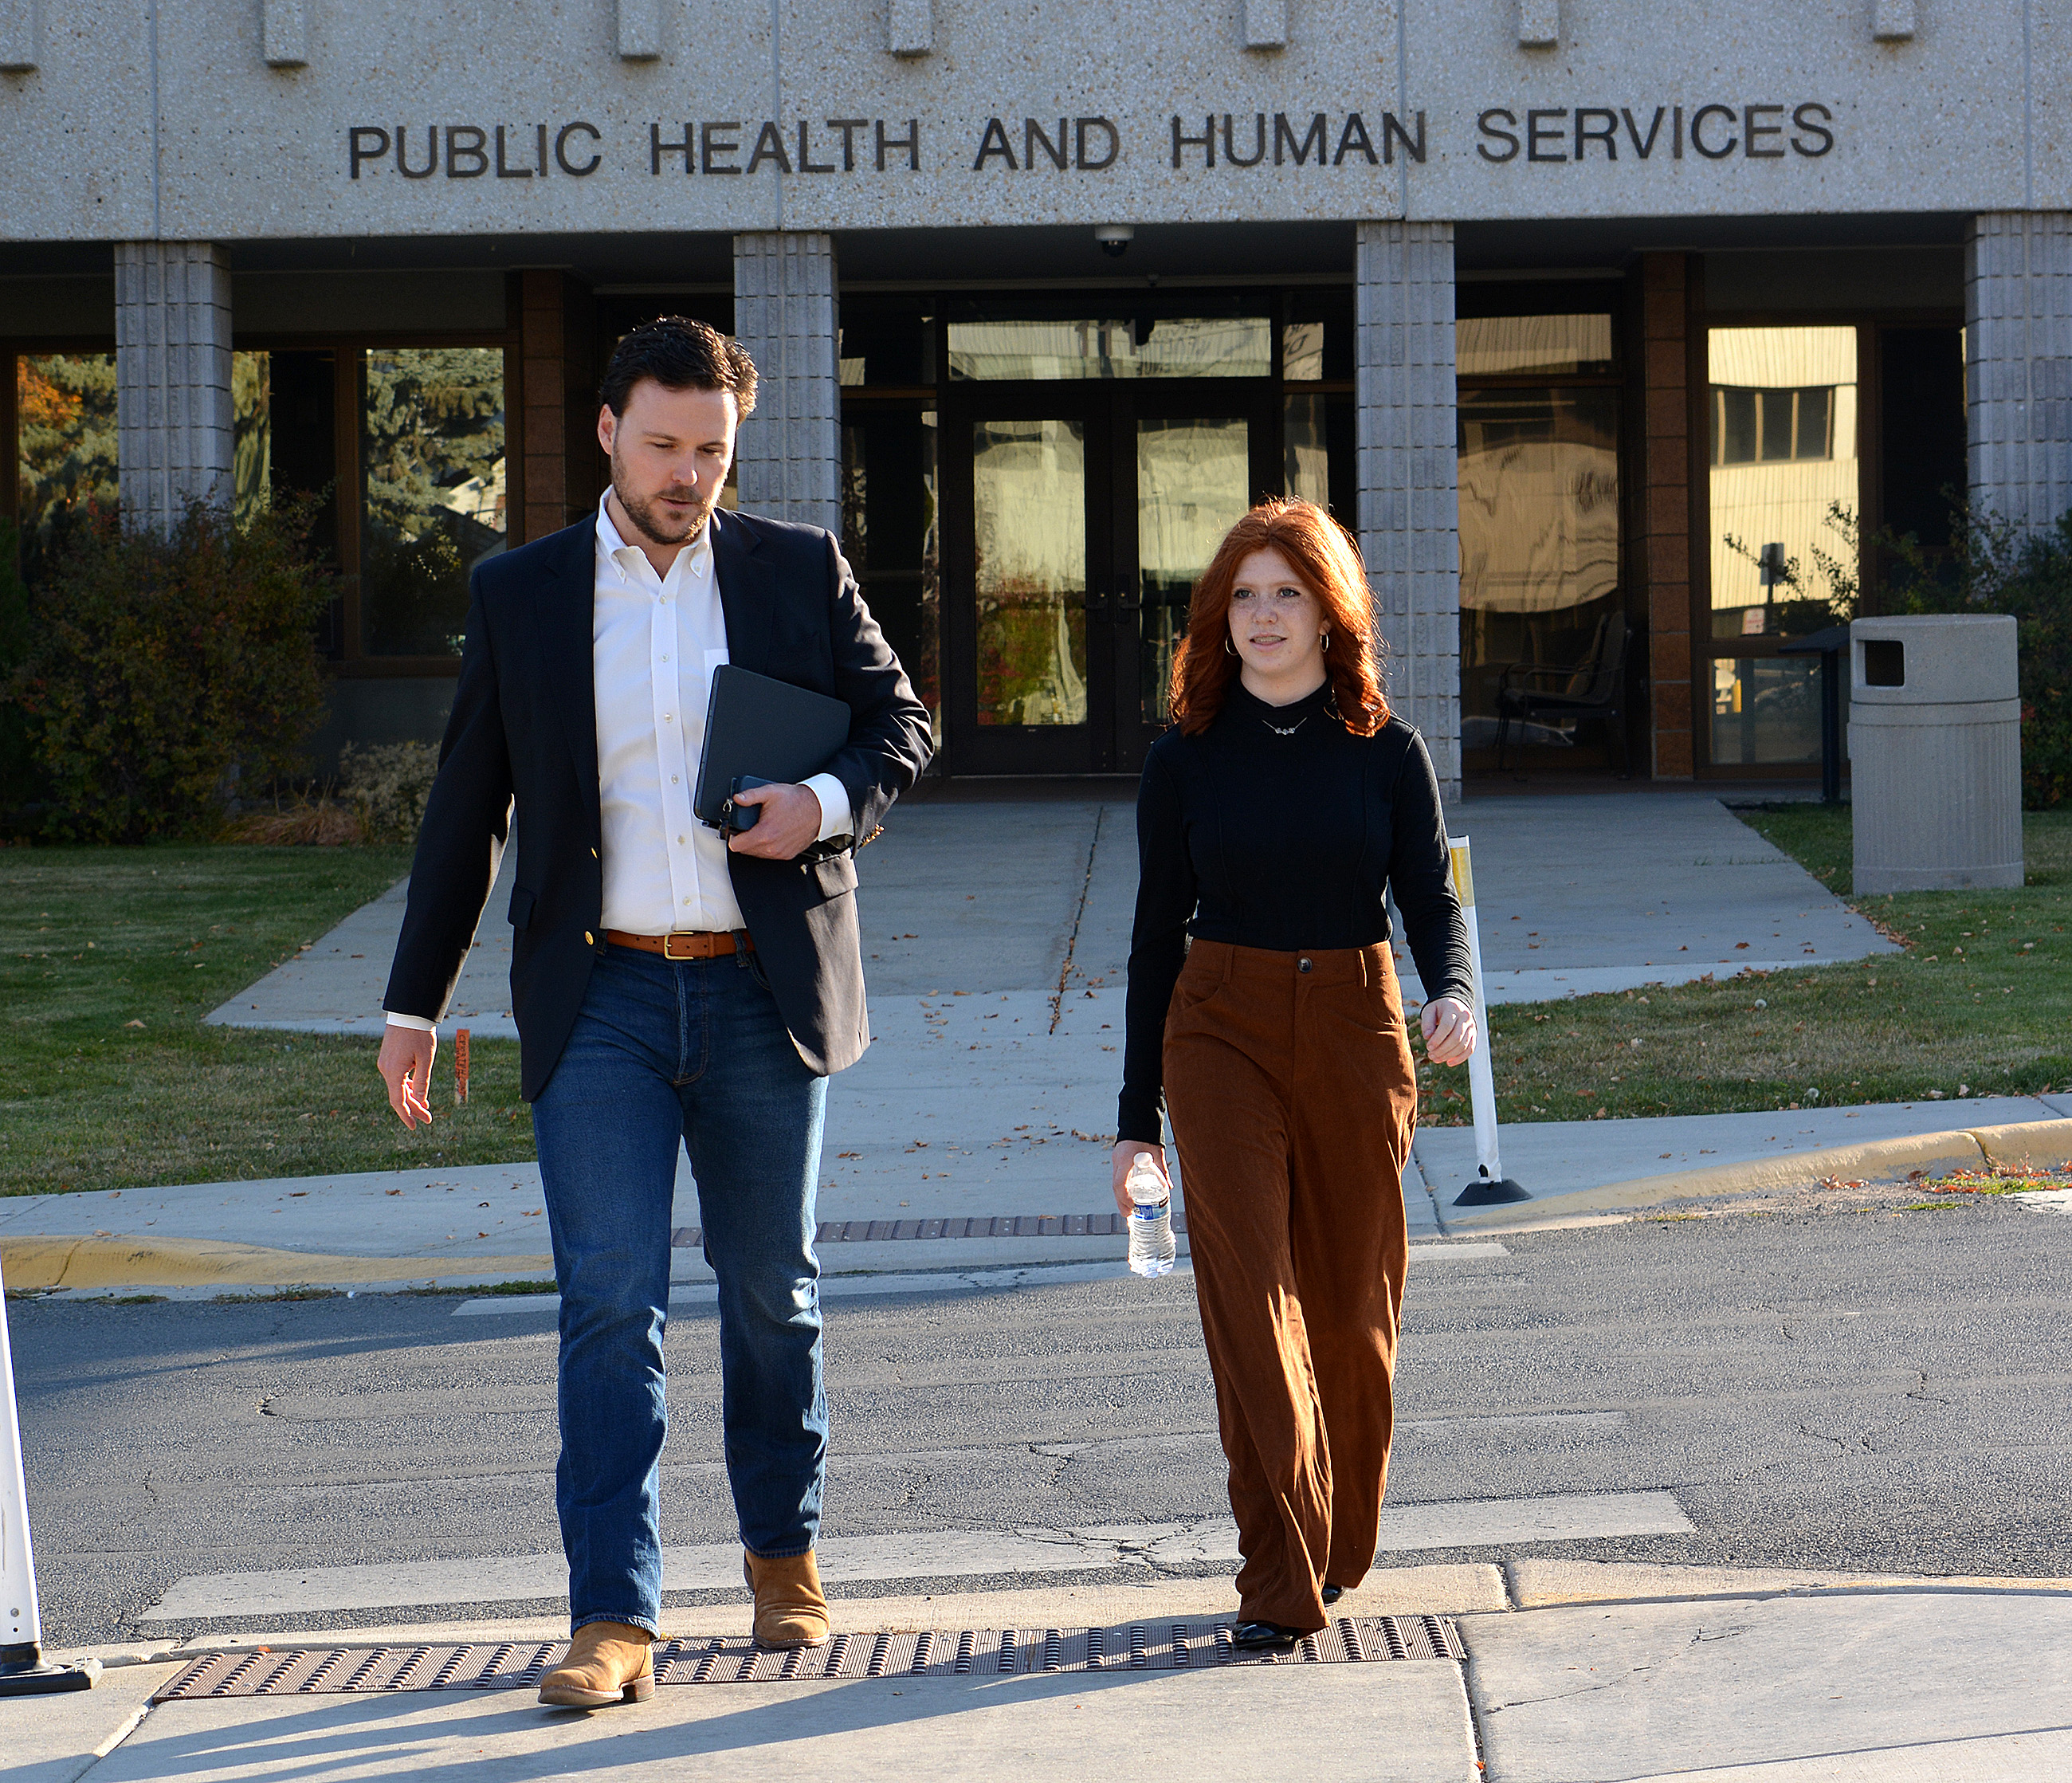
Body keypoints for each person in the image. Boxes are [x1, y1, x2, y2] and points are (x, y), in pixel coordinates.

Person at [375, 316, 932, 1708]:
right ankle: (611, 1614)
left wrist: (823, 805)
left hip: (762, 988)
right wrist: (411, 1000)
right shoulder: (524, 591)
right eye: (667, 443)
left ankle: (781, 1560)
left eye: (713, 452)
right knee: (608, 1302)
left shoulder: (795, 570)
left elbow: (901, 725)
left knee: (770, 1295)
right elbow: (465, 810)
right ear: (612, 430)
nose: (690, 473)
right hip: (603, 991)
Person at [1111, 497, 1475, 1651]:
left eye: (1288, 592)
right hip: (1216, 1025)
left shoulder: (1386, 750)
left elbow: (1431, 896)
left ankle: (1335, 1527)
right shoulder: (1184, 758)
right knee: (1248, 1300)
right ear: (1220, 617)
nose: (1264, 616)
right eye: (1244, 596)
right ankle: (1277, 1571)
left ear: (1330, 610)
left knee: (1352, 1318)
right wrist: (1135, 1120)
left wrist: (1452, 990)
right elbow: (1153, 934)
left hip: (1355, 1028)